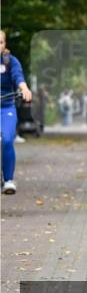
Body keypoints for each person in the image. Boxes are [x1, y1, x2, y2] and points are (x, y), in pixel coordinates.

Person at [1, 30, 33, 194]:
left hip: (6, 106)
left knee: (7, 140)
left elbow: (18, 76)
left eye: (0, 42)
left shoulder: (10, 61)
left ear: (5, 44)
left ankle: (8, 180)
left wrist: (24, 88)